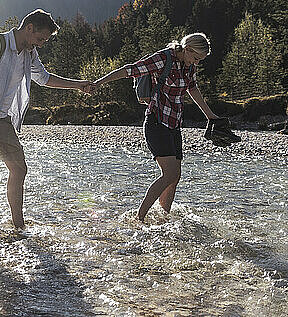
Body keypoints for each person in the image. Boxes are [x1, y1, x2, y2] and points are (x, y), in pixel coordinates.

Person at [0, 9, 95, 229]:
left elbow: (44, 78)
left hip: (3, 121)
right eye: (40, 38)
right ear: (29, 28)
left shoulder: (29, 53)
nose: (40, 44)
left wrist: (78, 85)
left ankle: (19, 226)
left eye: (44, 41)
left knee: (19, 169)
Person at [93, 33, 220, 221]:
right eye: (196, 58)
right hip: (156, 122)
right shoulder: (163, 59)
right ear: (188, 49)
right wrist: (98, 83)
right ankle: (139, 218)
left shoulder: (189, 66)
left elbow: (192, 89)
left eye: (199, 60)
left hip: (174, 124)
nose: (197, 63)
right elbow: (131, 70)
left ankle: (163, 218)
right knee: (169, 174)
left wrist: (211, 116)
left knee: (175, 177)